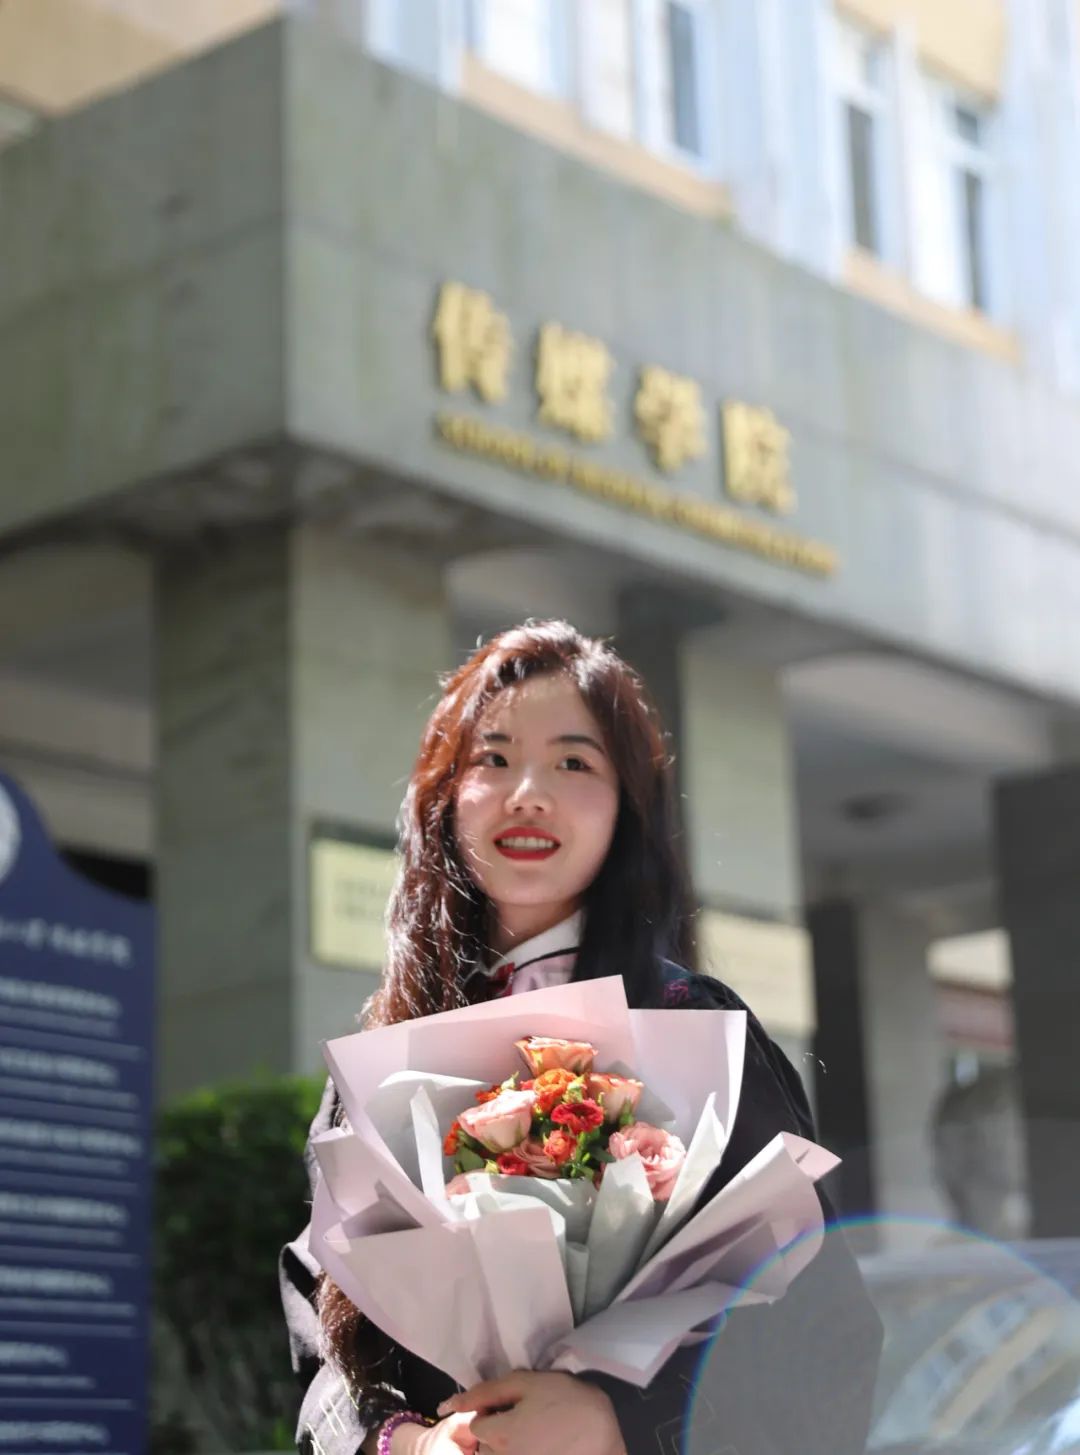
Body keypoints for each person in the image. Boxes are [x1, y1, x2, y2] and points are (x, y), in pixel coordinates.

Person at [280, 620, 882, 1455]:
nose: (528, 793)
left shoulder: (692, 1027)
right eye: (492, 759)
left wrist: (618, 1423)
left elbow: (825, 1338)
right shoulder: (383, 1058)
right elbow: (324, 1339)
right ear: (444, 797)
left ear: (627, 808)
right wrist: (404, 1442)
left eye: (574, 762)